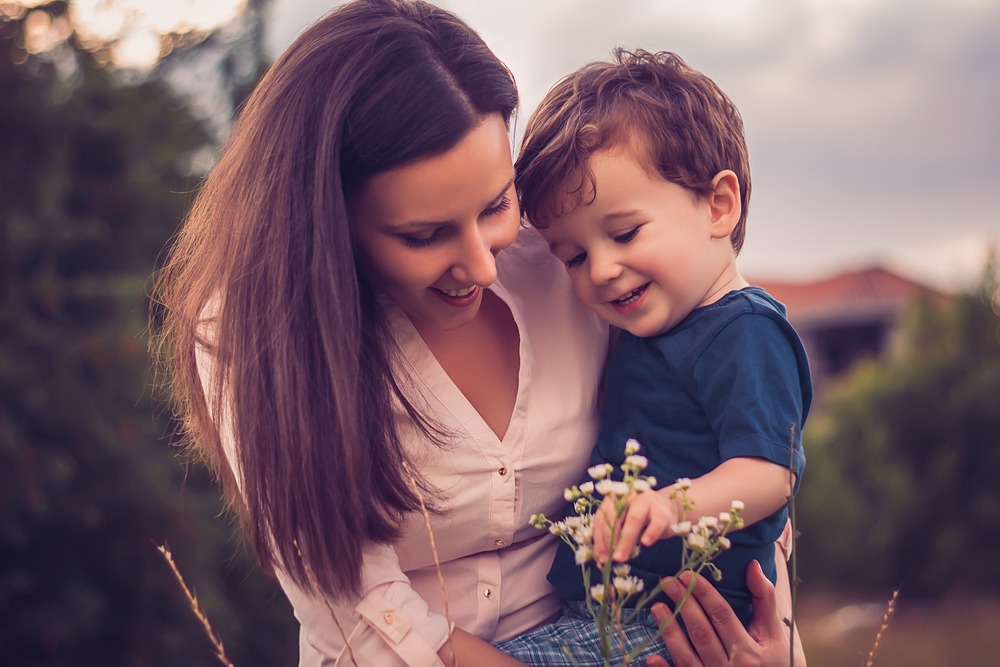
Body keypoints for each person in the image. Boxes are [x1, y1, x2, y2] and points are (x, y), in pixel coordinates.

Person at [152, 1, 804, 665]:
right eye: (424, 234)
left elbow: (731, 458)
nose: (485, 264)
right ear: (329, 221)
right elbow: (361, 611)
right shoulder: (251, 337)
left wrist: (772, 650)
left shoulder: (573, 254)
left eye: (497, 204)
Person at [498, 49, 812, 664]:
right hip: (624, 608)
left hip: (679, 620)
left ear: (719, 205)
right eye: (574, 256)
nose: (603, 270)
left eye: (623, 233)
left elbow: (768, 473)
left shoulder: (745, 331)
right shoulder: (656, 328)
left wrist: (670, 507)